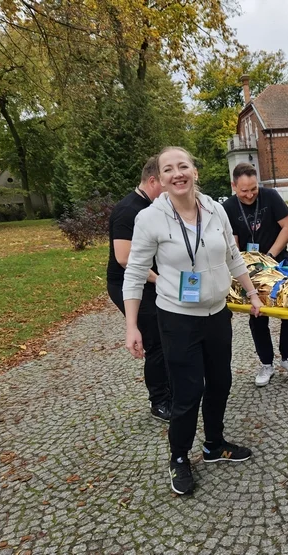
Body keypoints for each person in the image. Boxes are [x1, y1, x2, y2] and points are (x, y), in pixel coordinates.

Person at [122, 146, 263, 496]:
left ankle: (214, 445)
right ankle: (179, 458)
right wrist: (132, 325)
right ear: (161, 179)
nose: (177, 174)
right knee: (188, 392)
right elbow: (136, 272)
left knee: (220, 383)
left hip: (217, 314)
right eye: (168, 169)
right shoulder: (150, 219)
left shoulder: (215, 209)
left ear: (195, 172)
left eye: (183, 166)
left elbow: (233, 256)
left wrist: (253, 293)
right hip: (178, 318)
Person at [222, 162, 288, 386]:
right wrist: (247, 266)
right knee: (257, 314)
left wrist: (268, 256)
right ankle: (266, 363)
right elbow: (233, 244)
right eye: (244, 191)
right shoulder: (228, 207)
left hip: (278, 262)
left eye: (253, 189)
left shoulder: (271, 197)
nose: (249, 195)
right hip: (251, 269)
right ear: (234, 186)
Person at [107, 156, 171, 422]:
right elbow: (124, 257)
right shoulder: (128, 210)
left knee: (166, 334)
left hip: (152, 281)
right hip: (128, 284)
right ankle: (159, 401)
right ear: (153, 180)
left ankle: (171, 389)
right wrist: (160, 280)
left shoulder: (152, 206)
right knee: (155, 340)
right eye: (165, 184)